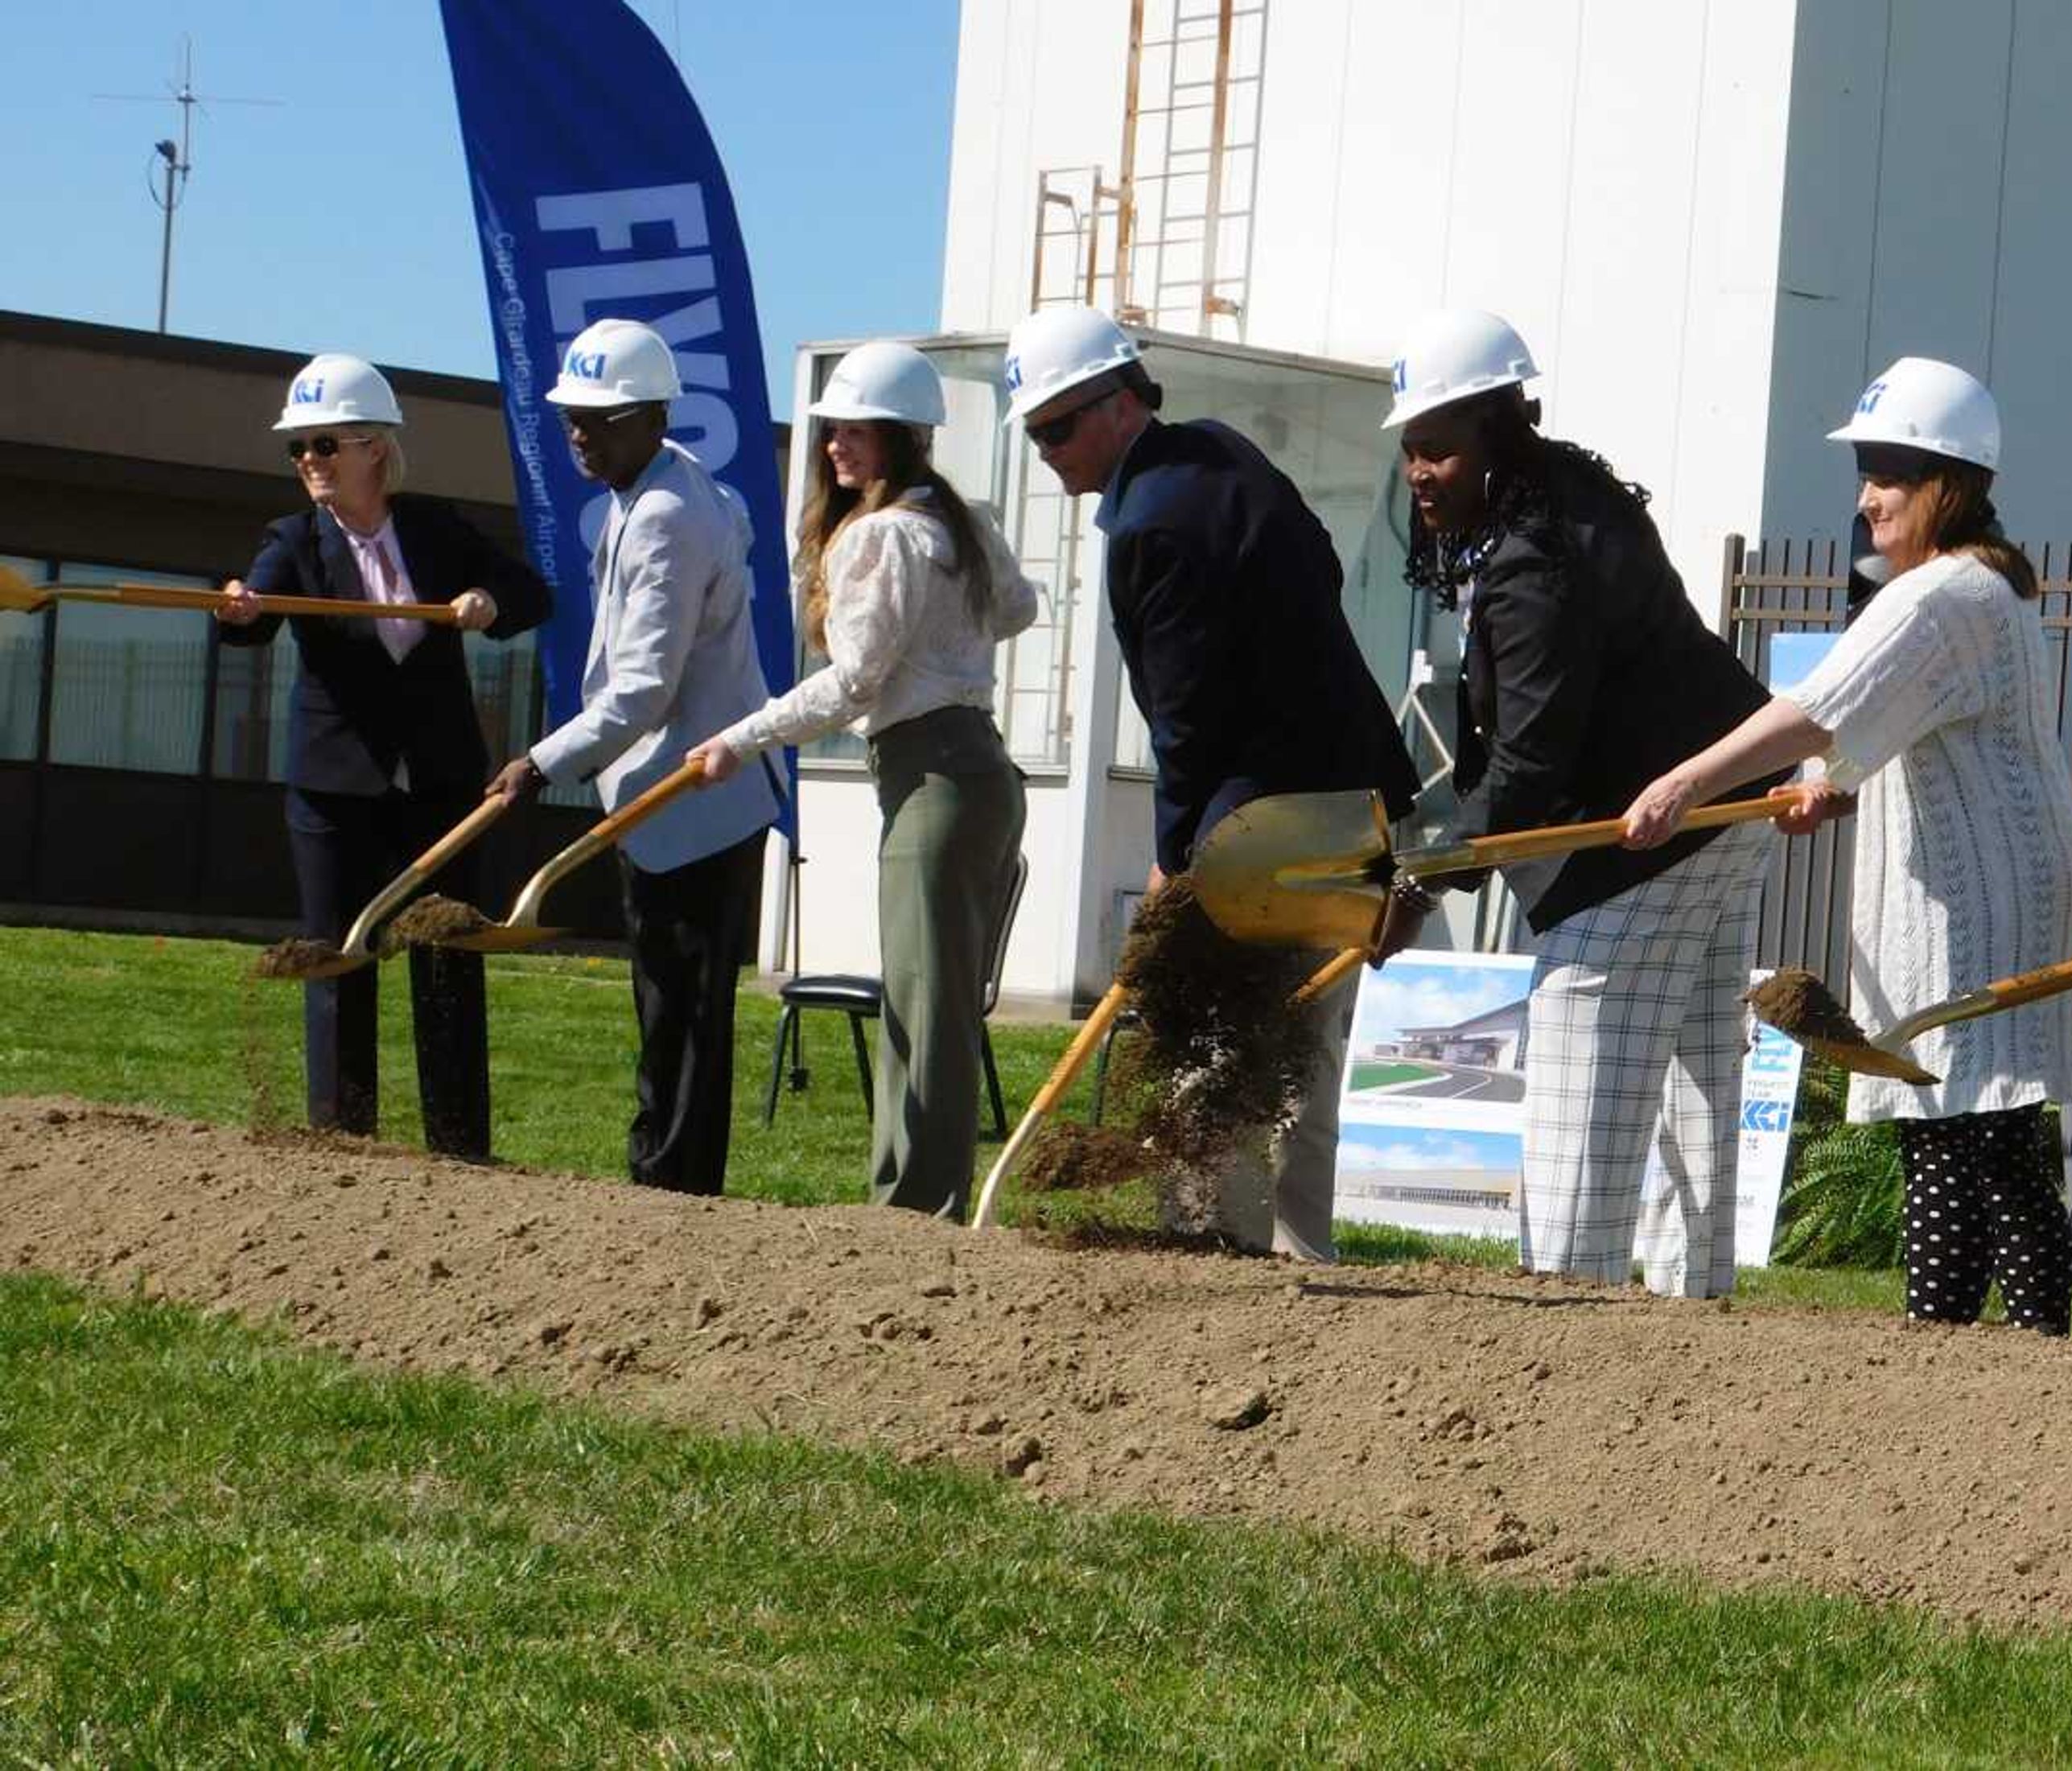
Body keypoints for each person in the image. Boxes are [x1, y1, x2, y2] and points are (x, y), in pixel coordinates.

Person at [1622, 357, 2072, 1332]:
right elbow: (1887, 727)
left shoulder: (1943, 596)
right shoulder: (1970, 590)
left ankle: (1987, 1355)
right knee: (1971, 1134)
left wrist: (1687, 780)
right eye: (1868, 470)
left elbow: (1816, 708)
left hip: (1985, 902)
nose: (1869, 494)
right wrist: (1826, 784)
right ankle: (1989, 1355)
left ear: (1951, 485)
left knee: (1964, 1134)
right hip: (1985, 889)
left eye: (1891, 472)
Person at [1373, 307, 1786, 1299]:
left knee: (1579, 1105)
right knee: (1695, 1089)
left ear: (1496, 429)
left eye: (1437, 447)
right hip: (1728, 804)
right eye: (1411, 451)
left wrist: (1417, 883)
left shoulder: (1532, 560)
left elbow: (1526, 766)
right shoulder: (1568, 493)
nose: (1419, 472)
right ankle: (1698, 1316)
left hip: (1646, 839)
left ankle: (1566, 1322)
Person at [1000, 305, 1418, 1260]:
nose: (1047, 449)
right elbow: (1315, 562)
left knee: (1218, 1056)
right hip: (1347, 803)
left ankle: (1214, 1262)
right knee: (1302, 1056)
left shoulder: (1153, 525)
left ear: (1121, 403)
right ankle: (1301, 1255)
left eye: (1060, 426)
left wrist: (1172, 860)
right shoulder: (1224, 454)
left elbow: (1186, 718)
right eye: (1034, 432)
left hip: (1260, 829)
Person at [689, 342, 1041, 1220]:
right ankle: (919, 1198)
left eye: (856, 431)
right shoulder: (956, 521)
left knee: (925, 1009)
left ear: (902, 439)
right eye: (832, 430)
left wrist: (742, 735)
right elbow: (1018, 608)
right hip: (973, 769)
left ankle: (915, 1207)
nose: (837, 446)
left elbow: (854, 680)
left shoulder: (884, 534)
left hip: (935, 775)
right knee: (933, 1002)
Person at [216, 352, 553, 1159]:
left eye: (324, 443)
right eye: (296, 448)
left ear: (374, 445)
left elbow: (532, 595)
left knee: (446, 956)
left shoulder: (435, 527)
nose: (308, 461)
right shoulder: (291, 539)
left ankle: (460, 1146)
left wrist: (488, 603)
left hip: (438, 786)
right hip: (334, 793)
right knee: (337, 960)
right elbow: (254, 615)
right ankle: (344, 1140)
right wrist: (238, 609)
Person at [488, 318, 785, 1197]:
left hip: (696, 801)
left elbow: (644, 687)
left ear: (654, 415)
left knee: (685, 1012)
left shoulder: (666, 514)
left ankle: (673, 1186)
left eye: (600, 417)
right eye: (572, 417)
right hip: (665, 799)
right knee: (665, 1006)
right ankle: (660, 1168)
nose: (579, 432)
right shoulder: (656, 493)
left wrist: (539, 762)